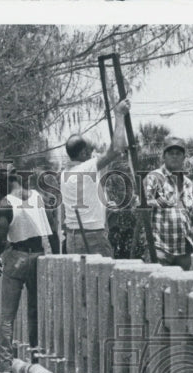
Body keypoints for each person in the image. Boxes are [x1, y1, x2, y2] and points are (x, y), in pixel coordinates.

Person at [0, 168, 57, 373]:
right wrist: (55, 256)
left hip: (17, 256)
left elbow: (2, 238)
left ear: (4, 185)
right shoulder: (39, 197)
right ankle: (35, 360)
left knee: (7, 315)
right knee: (34, 311)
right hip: (38, 257)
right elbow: (52, 231)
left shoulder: (5, 203)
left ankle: (5, 366)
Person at [60, 97, 132, 257]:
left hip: (73, 237)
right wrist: (119, 115)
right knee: (104, 279)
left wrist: (104, 205)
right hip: (91, 237)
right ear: (84, 153)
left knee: (81, 280)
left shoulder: (65, 173)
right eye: (91, 151)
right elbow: (117, 149)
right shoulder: (85, 168)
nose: (94, 154)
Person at [143, 137, 193, 270]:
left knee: (182, 289)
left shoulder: (189, 185)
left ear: (184, 157)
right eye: (170, 153)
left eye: (178, 153)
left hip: (183, 252)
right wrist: (158, 202)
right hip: (159, 250)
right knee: (159, 287)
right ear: (164, 156)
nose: (174, 156)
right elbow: (142, 206)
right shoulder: (154, 178)